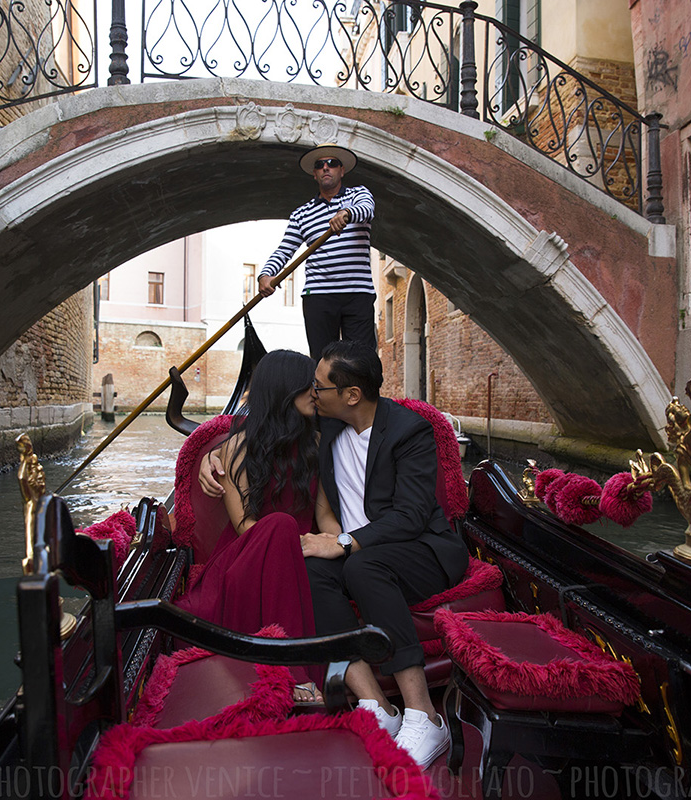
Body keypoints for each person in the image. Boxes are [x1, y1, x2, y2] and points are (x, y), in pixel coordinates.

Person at [200, 341, 469, 769]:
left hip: (421, 549)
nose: (312, 392)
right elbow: (264, 427)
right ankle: (378, 705)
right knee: (313, 570)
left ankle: (425, 715)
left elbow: (413, 515)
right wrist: (212, 454)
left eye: (319, 386)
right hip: (352, 545)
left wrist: (342, 543)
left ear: (351, 395)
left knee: (364, 564)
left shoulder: (409, 431)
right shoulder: (321, 430)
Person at [175, 349, 332, 702]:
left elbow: (324, 518)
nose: (315, 393)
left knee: (285, 528)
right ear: (284, 390)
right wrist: (291, 539)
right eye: (308, 386)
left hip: (299, 551)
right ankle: (294, 672)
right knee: (279, 524)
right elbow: (246, 526)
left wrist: (337, 542)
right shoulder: (236, 448)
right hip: (247, 558)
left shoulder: (317, 443)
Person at [257, 144, 377, 360]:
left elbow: (366, 210)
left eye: (332, 163)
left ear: (342, 170)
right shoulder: (302, 214)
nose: (326, 168)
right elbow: (285, 250)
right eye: (320, 165)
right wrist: (265, 275)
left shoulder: (358, 195)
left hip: (357, 293)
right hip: (319, 295)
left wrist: (347, 214)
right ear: (314, 174)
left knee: (362, 361)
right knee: (323, 363)